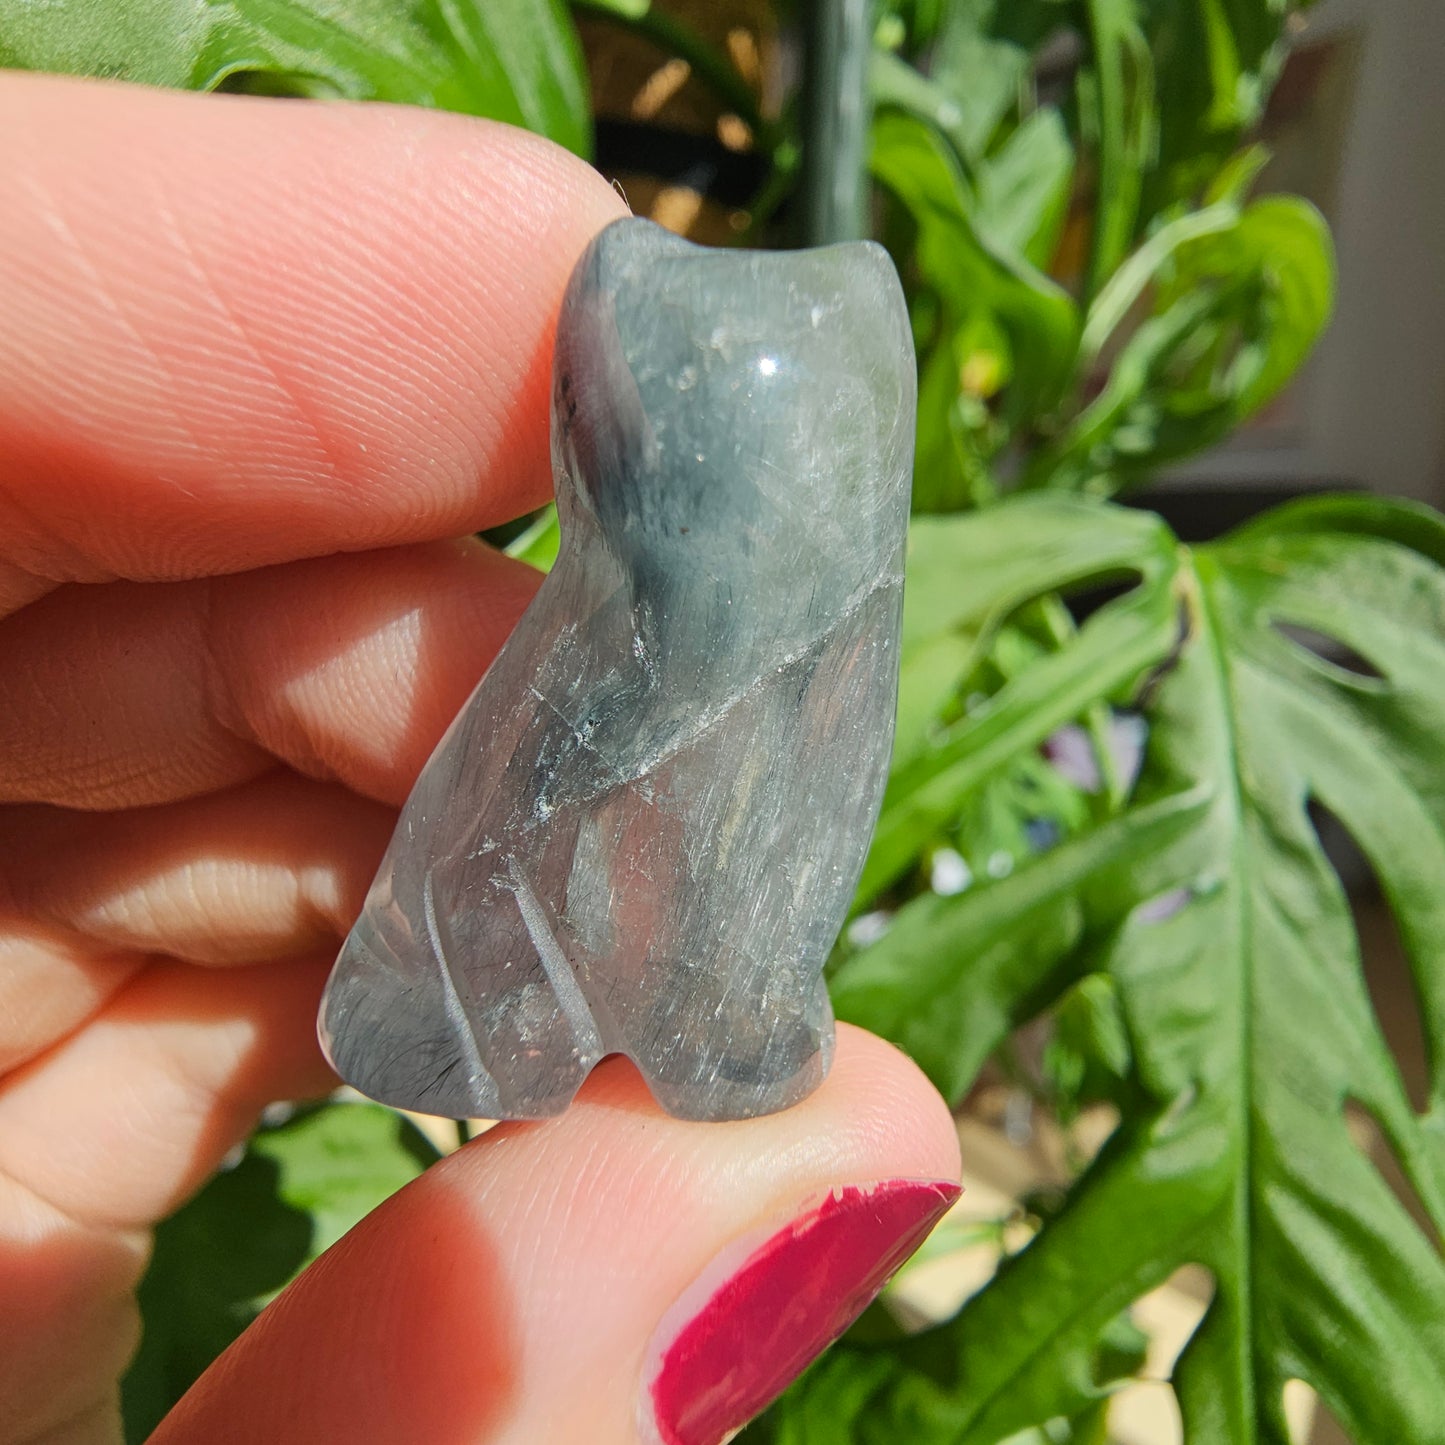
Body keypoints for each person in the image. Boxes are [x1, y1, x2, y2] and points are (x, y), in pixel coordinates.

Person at [0, 73, 961, 1445]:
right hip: (497, 950)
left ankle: (705, 1020)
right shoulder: (625, 624)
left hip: (675, 932)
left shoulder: (830, 617)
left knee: (736, 866)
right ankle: (634, 1021)